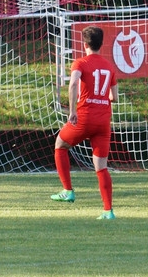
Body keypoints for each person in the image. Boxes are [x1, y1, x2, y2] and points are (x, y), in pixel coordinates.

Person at [49, 26, 119, 220]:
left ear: (85, 44)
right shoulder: (108, 65)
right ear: (101, 44)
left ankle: (68, 190)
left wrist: (72, 111)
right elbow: (114, 96)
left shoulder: (80, 63)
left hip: (85, 117)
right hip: (103, 120)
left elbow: (73, 84)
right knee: (101, 166)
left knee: (60, 145)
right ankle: (108, 211)